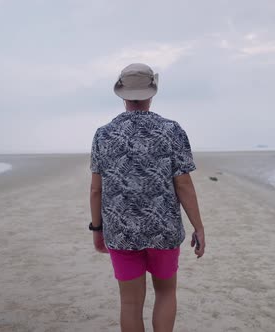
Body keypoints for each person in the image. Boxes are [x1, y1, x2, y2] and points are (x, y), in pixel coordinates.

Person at [89, 63, 205, 332]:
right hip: (163, 230)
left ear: (122, 94)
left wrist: (97, 229)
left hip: (120, 231)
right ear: (151, 93)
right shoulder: (171, 130)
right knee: (165, 293)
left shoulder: (103, 134)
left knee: (130, 304)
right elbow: (184, 184)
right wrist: (198, 226)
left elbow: (96, 189)